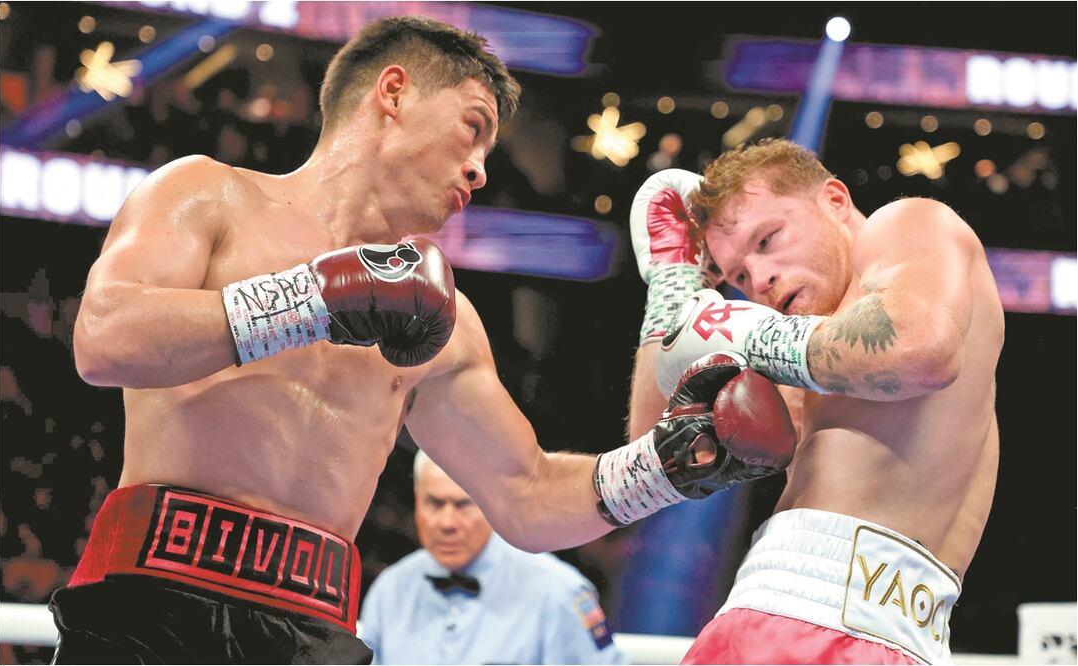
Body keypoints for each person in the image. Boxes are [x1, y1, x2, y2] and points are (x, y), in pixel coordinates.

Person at [53, 16, 797, 664]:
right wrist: (315, 297)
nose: (478, 170)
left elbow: (526, 496)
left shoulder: (448, 323)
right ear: (394, 91)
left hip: (313, 631)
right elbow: (106, 337)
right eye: (472, 128)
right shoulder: (208, 195)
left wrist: (665, 466)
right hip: (152, 599)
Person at [626, 138, 1004, 664]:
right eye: (736, 277)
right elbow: (656, 460)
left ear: (834, 199)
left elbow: (920, 349)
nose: (758, 280)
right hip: (800, 616)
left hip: (853, 628)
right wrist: (671, 290)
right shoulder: (804, 361)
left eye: (768, 240)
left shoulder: (908, 223)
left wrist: (755, 337)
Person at [359, 451, 629, 664]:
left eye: (464, 504)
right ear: (417, 503)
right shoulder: (390, 591)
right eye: (435, 503)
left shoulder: (558, 593)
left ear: (491, 503)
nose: (447, 522)